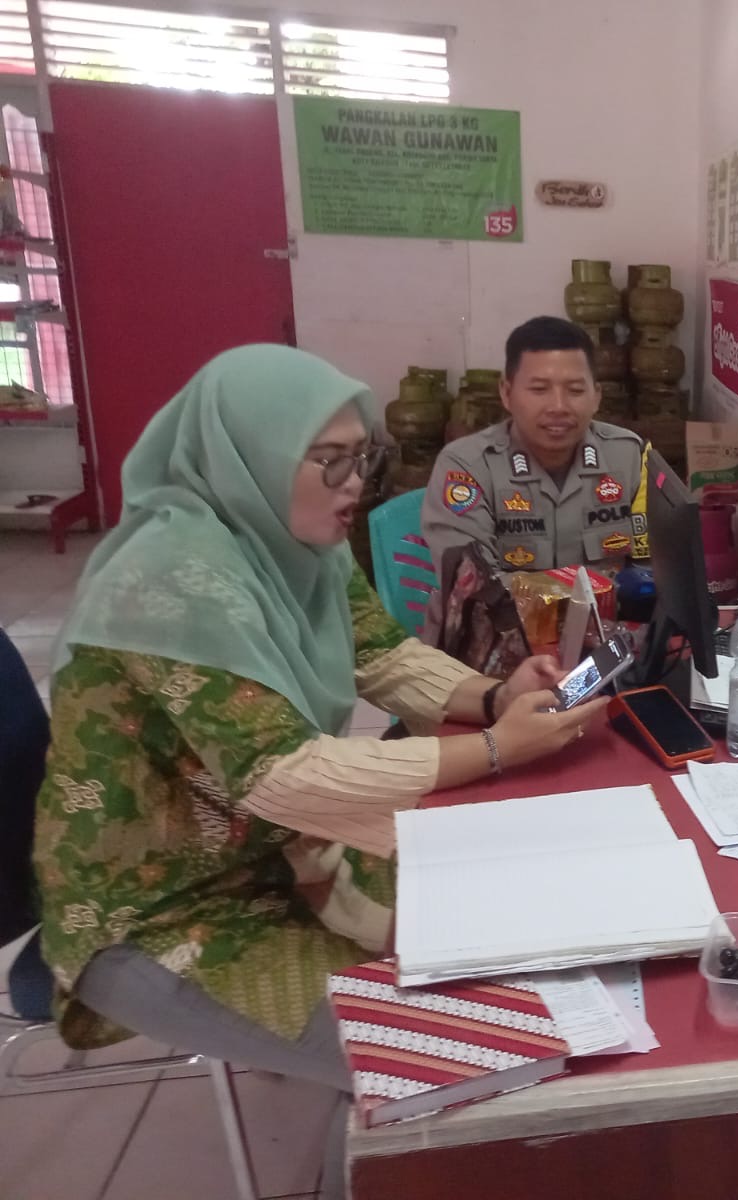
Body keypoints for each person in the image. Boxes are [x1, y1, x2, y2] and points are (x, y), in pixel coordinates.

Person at [33, 345, 603, 1199]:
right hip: (159, 915)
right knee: (452, 1060)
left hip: (271, 855)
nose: (354, 485)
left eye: (360, 457)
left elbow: (383, 655)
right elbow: (282, 775)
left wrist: (494, 696)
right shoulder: (170, 579)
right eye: (329, 460)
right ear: (252, 456)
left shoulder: (294, 539)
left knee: (507, 934)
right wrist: (495, 748)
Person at [421, 316, 649, 588]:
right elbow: (474, 587)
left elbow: (655, 567)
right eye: (539, 390)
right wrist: (572, 598)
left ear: (596, 397)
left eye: (575, 390)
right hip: (502, 617)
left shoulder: (628, 456)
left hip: (607, 615)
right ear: (507, 393)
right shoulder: (467, 465)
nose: (558, 407)